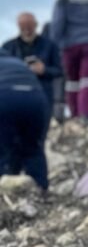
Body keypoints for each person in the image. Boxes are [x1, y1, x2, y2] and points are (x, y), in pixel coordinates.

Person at [0, 53, 51, 192]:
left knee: (3, 149)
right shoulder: (17, 62)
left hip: (4, 97)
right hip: (35, 99)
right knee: (33, 148)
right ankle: (41, 190)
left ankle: (5, 191)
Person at [2, 12, 63, 114]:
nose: (27, 30)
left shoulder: (50, 45)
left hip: (43, 95)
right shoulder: (8, 47)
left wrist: (44, 70)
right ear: (18, 26)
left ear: (35, 25)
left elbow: (59, 70)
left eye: (29, 26)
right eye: (23, 26)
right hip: (15, 96)